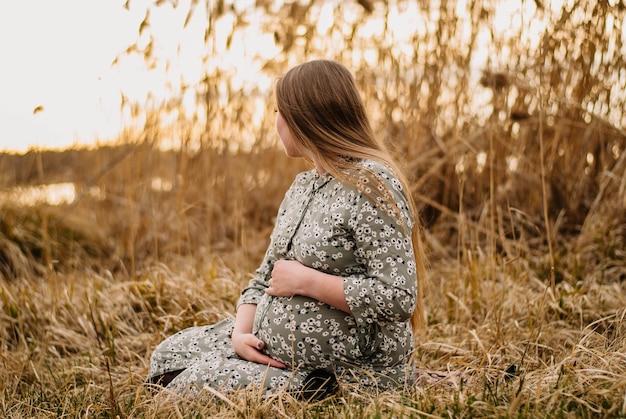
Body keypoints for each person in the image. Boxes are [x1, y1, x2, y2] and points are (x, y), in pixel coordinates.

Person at [147, 59, 428, 400]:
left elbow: (398, 297)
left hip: (352, 361)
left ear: (305, 118)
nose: (276, 122)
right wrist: (240, 336)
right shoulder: (303, 185)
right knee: (167, 357)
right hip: (276, 347)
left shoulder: (372, 182)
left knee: (186, 385)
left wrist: (309, 282)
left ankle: (318, 388)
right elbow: (267, 273)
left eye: (279, 111)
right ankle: (281, 377)